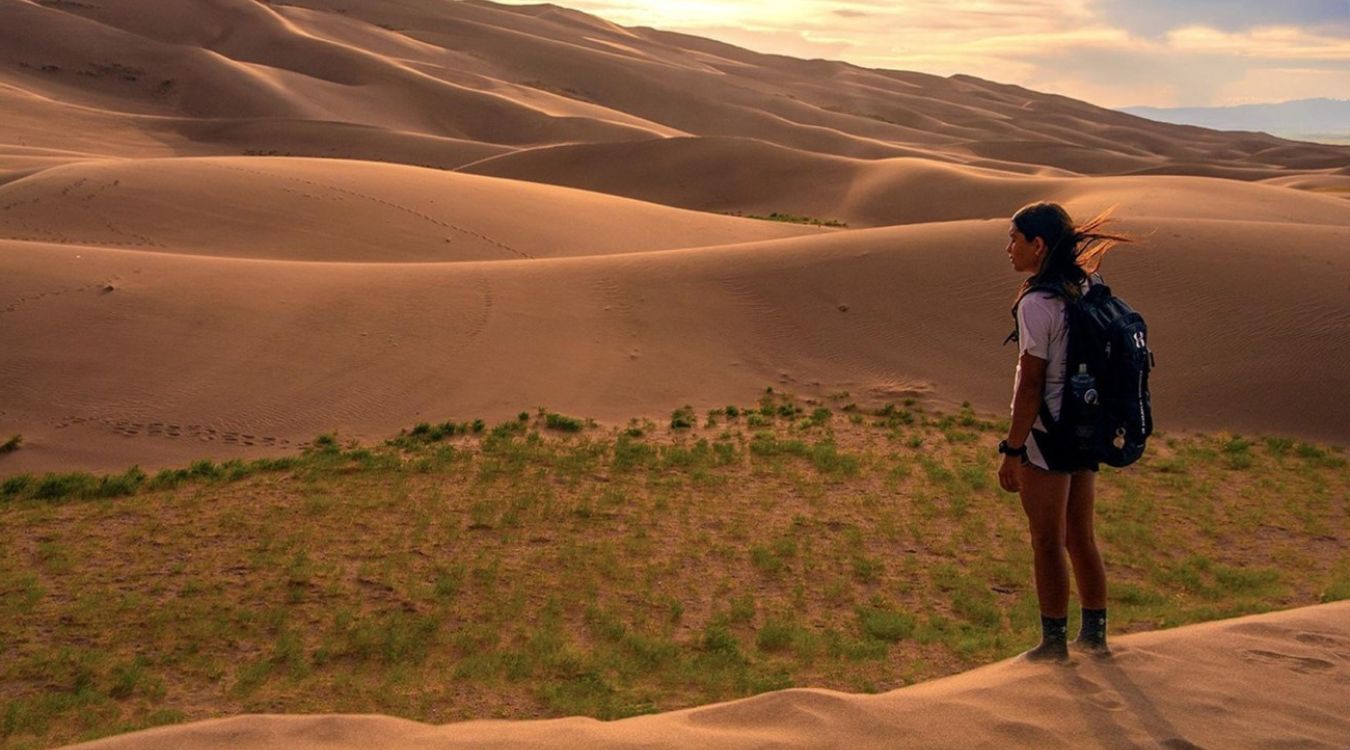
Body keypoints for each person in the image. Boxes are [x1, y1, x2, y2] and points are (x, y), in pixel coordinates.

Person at [996, 202, 1129, 662]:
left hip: (1048, 435)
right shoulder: (1086, 286)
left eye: (1014, 239)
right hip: (1085, 427)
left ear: (1038, 245)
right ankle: (1095, 634)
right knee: (1081, 536)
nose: (1007, 248)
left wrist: (1013, 449)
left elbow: (1030, 383)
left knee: (1047, 540)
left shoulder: (1038, 303)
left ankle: (1053, 643)